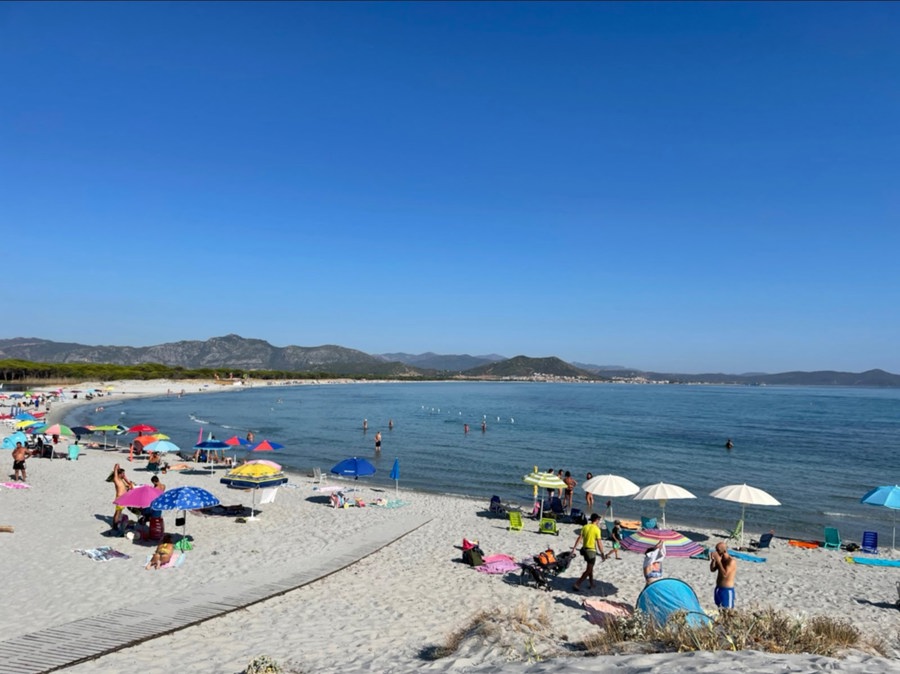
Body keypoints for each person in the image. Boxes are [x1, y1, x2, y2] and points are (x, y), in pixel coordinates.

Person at [571, 513, 605, 591]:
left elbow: (579, 538)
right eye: (598, 520)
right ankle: (577, 583)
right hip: (591, 551)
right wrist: (602, 553)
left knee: (590, 567)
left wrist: (574, 548)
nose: (599, 521)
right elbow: (599, 543)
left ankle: (591, 583)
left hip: (584, 550)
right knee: (589, 569)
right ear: (596, 520)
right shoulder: (597, 529)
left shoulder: (585, 527)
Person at [709, 541, 737, 609]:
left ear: (724, 551)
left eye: (718, 550)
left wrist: (718, 561)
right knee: (720, 608)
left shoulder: (731, 561)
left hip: (727, 589)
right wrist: (713, 560)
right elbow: (712, 569)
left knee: (728, 610)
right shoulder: (721, 560)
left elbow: (725, 574)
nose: (716, 552)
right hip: (719, 588)